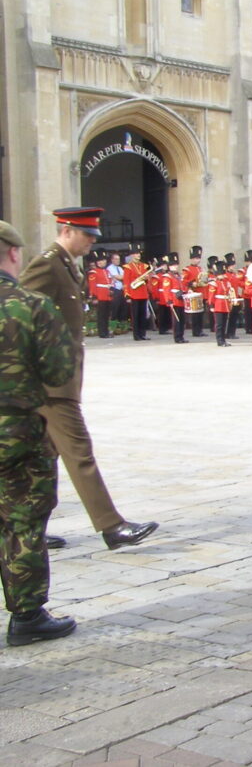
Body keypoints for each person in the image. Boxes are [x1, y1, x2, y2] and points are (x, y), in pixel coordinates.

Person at [20, 207, 159, 550]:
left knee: (41, 457)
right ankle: (111, 526)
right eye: (87, 235)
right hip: (50, 382)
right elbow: (17, 311)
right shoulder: (47, 264)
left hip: (61, 377)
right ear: (66, 231)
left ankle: (27, 529)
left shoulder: (67, 266)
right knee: (78, 451)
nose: (91, 243)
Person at [0, 219, 78, 646]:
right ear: (14, 254)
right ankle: (27, 615)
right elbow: (58, 371)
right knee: (24, 519)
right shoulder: (30, 305)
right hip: (17, 430)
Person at [122, 246, 151, 341]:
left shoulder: (144, 266)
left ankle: (143, 334)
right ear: (131, 255)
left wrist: (147, 278)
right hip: (134, 294)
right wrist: (127, 295)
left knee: (143, 315)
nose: (138, 255)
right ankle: (136, 335)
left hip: (143, 293)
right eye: (135, 253)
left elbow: (147, 281)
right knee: (136, 315)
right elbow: (126, 282)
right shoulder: (128, 267)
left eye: (138, 253)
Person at [86, 250, 113, 338]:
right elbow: (92, 285)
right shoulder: (93, 272)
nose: (102, 262)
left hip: (107, 295)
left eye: (104, 260)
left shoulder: (106, 272)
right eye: (100, 261)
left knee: (106, 315)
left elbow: (109, 282)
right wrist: (94, 297)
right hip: (100, 295)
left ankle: (106, 331)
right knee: (101, 315)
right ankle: (102, 333)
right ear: (97, 263)